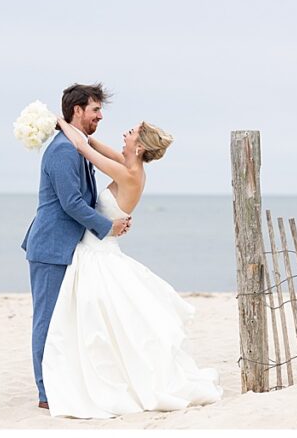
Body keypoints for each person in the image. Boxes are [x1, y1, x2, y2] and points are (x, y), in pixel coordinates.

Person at [41, 116, 223, 418]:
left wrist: (59, 121)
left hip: (97, 253)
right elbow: (92, 144)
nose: (125, 133)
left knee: (95, 319)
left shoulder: (128, 172)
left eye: (131, 133)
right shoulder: (128, 164)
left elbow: (83, 150)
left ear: (139, 147)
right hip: (97, 248)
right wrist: (83, 129)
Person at [21, 83, 131, 409]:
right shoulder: (62, 151)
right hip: (51, 248)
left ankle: (61, 383)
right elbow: (70, 202)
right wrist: (106, 226)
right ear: (77, 110)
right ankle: (45, 394)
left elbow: (85, 197)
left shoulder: (76, 147)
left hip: (71, 248)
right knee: (47, 320)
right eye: (95, 110)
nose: (100, 116)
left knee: (66, 320)